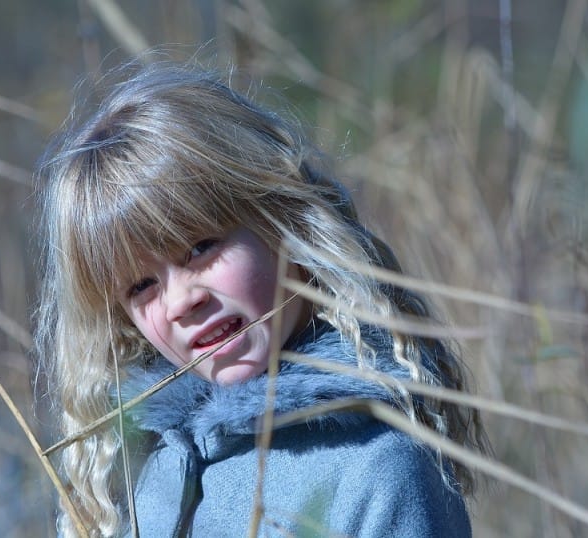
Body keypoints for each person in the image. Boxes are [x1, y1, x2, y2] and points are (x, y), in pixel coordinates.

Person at [35, 61, 486, 537]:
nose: (179, 302)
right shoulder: (137, 481)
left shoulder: (377, 471)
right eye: (141, 286)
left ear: (283, 222)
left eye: (200, 247)